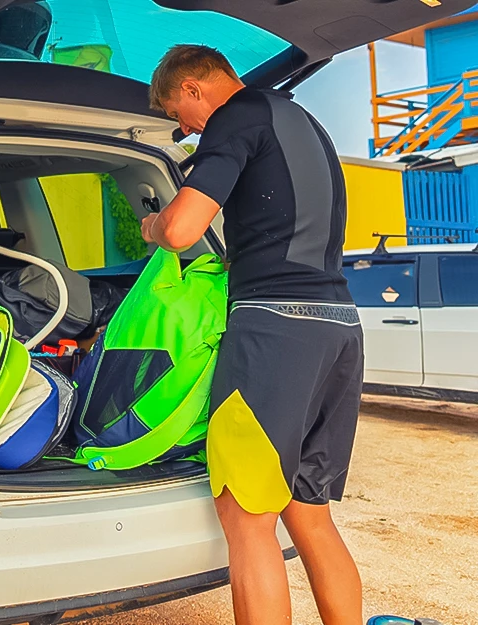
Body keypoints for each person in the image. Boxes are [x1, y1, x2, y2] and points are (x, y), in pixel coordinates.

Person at [141, 45, 365, 625]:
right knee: (308, 514)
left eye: (178, 113)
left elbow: (185, 227)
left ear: (193, 87)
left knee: (247, 520)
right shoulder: (301, 119)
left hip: (275, 331)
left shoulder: (235, 118)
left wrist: (153, 224)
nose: (184, 129)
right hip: (338, 325)